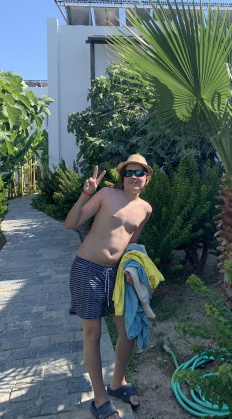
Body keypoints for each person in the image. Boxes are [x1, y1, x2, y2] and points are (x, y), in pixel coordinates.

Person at [65, 154, 153, 419]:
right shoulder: (105, 194)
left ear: (147, 179)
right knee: (93, 335)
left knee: (127, 331)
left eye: (140, 173)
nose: (134, 177)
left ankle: (117, 383)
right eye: (129, 173)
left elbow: (131, 244)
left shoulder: (145, 209)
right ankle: (100, 399)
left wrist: (131, 268)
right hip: (87, 269)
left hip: (116, 275)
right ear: (122, 177)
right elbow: (71, 223)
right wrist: (85, 194)